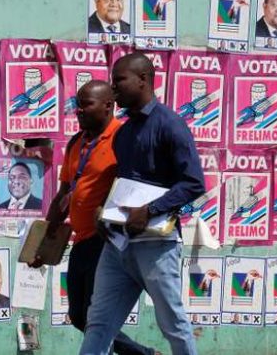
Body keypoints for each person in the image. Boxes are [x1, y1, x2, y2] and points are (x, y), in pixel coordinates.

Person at [79, 53, 204, 355]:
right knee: (98, 323)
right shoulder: (124, 132)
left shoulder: (170, 125)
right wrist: (104, 213)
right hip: (119, 245)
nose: (113, 87)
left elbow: (194, 183)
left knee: (172, 323)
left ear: (143, 80)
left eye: (119, 80)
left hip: (156, 246)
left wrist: (149, 210)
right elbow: (124, 183)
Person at [33, 80, 156, 355]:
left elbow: (136, 187)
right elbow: (64, 193)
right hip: (82, 241)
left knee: (95, 315)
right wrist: (44, 241)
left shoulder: (123, 139)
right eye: (77, 105)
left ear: (108, 106)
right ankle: (143, 354)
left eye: (86, 104)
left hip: (108, 242)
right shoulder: (76, 142)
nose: (79, 111)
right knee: (79, 315)